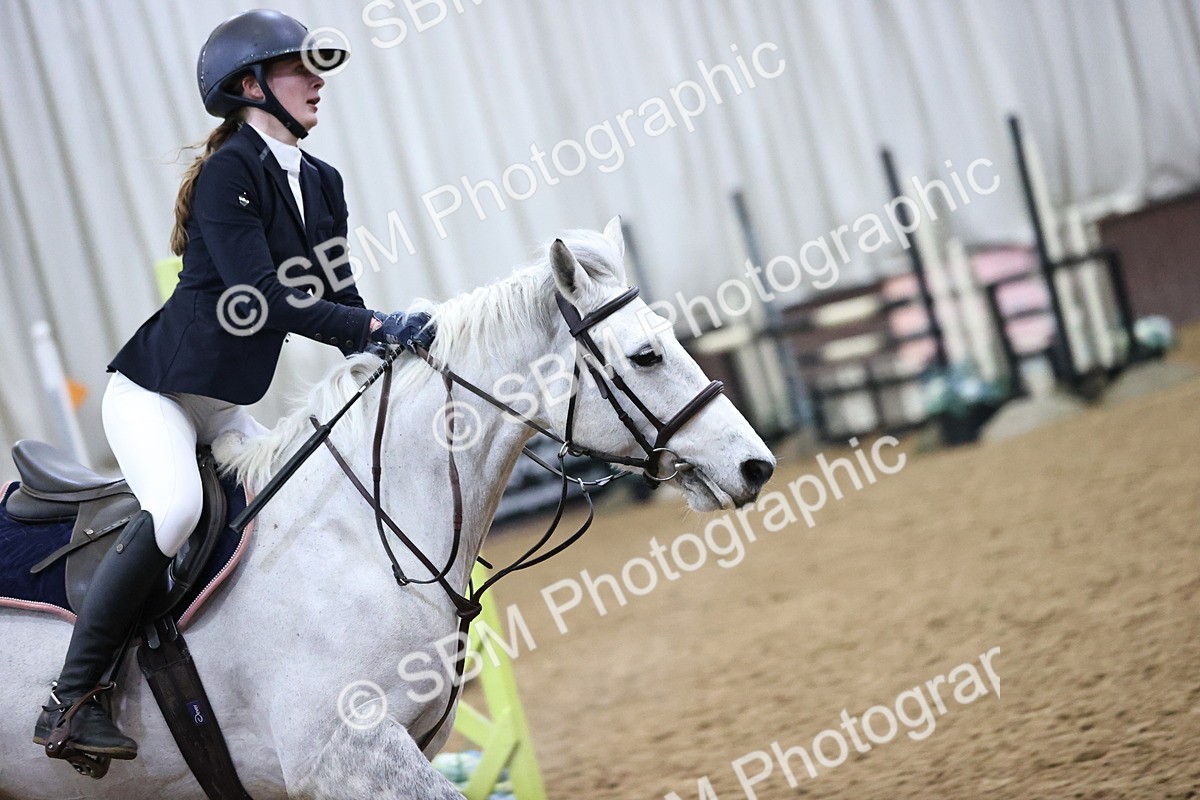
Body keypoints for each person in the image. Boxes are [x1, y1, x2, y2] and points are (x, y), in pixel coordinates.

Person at [32, 9, 432, 760]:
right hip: (155, 393)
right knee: (178, 507)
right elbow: (267, 295)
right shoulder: (229, 174)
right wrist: (376, 328)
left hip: (221, 405)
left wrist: (381, 356)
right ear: (251, 87)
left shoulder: (322, 179)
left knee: (285, 508)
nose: (317, 81)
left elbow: (338, 295)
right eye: (298, 69)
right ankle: (69, 699)